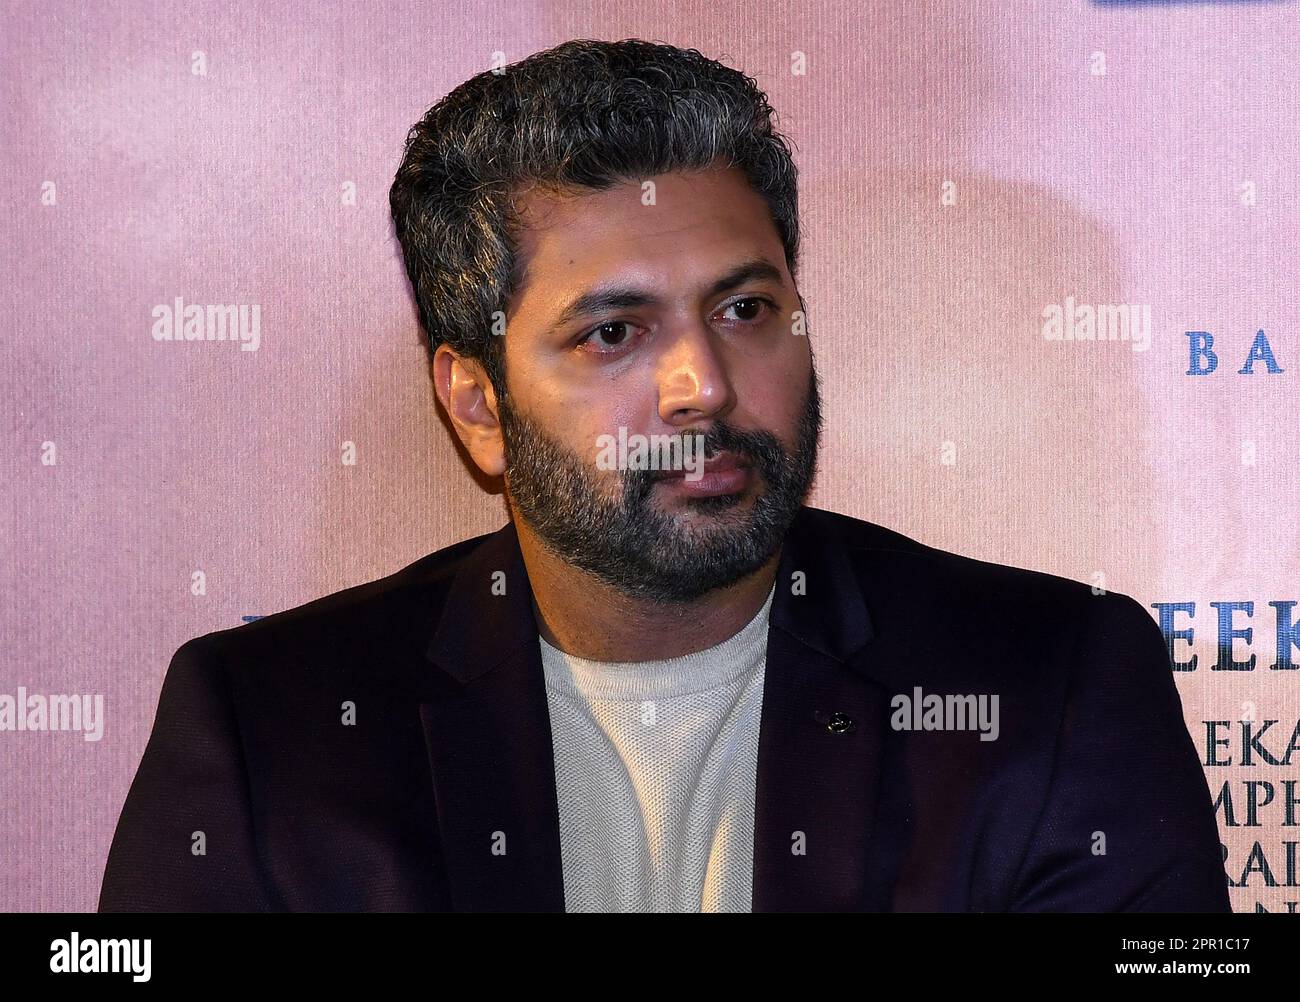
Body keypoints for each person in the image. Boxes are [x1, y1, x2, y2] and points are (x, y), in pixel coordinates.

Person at [99, 38, 1229, 913]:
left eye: (745, 309)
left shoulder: (1055, 688)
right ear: (477, 405)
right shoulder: (267, 732)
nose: (702, 387)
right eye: (613, 333)